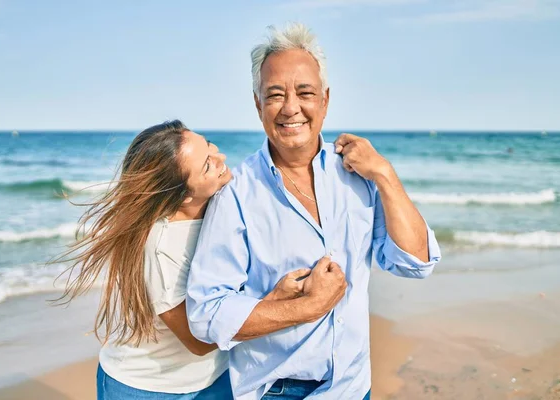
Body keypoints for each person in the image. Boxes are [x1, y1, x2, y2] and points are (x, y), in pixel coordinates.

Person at [186, 23, 442, 400]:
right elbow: (206, 314)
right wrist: (308, 307)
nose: (291, 108)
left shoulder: (360, 175)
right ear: (258, 104)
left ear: (325, 99)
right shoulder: (236, 195)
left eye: (305, 92)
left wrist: (385, 174)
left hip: (354, 388)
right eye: (275, 95)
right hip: (276, 391)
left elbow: (416, 262)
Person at [54, 120, 315, 399]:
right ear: (183, 195)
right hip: (151, 388)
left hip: (217, 376)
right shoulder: (162, 248)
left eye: (210, 146)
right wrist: (273, 300)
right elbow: (198, 340)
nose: (221, 159)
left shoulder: (219, 203)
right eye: (206, 165)